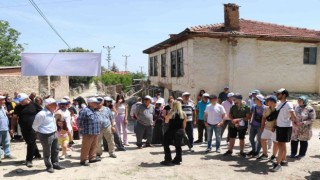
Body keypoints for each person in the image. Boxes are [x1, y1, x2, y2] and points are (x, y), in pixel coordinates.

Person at [32, 98, 65, 173]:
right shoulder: (41, 114)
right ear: (49, 105)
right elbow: (35, 126)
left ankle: (55, 164)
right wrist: (41, 133)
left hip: (53, 133)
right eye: (54, 104)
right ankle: (49, 166)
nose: (56, 105)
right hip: (45, 135)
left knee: (56, 149)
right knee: (47, 152)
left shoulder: (52, 112)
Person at [11, 93, 43, 167]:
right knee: (30, 142)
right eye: (19, 101)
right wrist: (12, 128)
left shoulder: (35, 105)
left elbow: (42, 115)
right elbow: (14, 118)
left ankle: (29, 160)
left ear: (27, 99)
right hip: (23, 128)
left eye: (22, 100)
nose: (20, 102)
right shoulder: (18, 107)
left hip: (33, 128)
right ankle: (37, 155)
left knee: (30, 143)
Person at [271, 88, 296, 172]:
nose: (277, 95)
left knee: (280, 144)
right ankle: (283, 160)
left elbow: (293, 116)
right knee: (282, 144)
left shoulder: (288, 104)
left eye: (278, 94)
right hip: (280, 126)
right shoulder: (280, 104)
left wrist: (289, 120)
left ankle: (278, 163)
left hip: (284, 127)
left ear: (284, 95)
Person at [161, 101, 187, 166]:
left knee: (166, 144)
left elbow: (166, 121)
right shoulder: (183, 114)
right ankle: (178, 159)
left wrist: (167, 116)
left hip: (171, 131)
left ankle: (168, 159)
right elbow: (184, 125)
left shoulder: (171, 113)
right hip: (180, 131)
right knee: (178, 146)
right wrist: (184, 132)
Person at [77, 97, 101, 166]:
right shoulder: (85, 110)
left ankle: (92, 158)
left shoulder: (94, 110)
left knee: (94, 145)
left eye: (97, 103)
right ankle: (83, 160)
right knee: (86, 146)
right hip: (87, 132)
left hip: (95, 131)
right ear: (90, 103)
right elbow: (79, 121)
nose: (97, 104)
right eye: (95, 103)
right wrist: (81, 128)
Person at [258, 95, 278, 161]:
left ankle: (274, 156)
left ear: (272, 102)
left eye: (268, 101)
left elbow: (278, 119)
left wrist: (274, 126)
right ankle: (265, 154)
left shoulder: (278, 109)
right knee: (263, 139)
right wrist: (262, 126)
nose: (267, 102)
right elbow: (264, 117)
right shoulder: (266, 108)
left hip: (275, 129)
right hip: (267, 127)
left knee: (275, 142)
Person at [0, 95, 14, 162]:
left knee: (6, 142)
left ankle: (7, 154)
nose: (4, 101)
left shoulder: (2, 107)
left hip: (5, 128)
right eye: (2, 100)